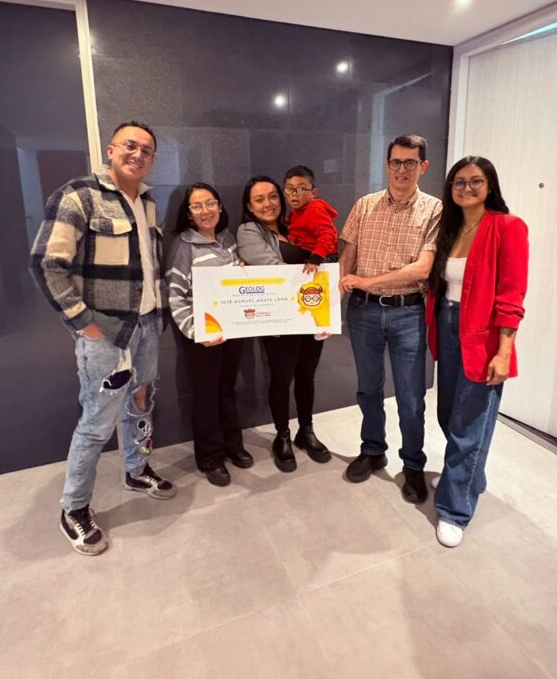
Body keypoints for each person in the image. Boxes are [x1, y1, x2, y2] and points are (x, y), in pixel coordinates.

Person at [30, 121, 177, 557]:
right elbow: (46, 263)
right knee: (96, 421)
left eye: (147, 150)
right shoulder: (79, 196)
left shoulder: (147, 202)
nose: (138, 154)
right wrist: (82, 323)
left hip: (147, 326)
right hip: (106, 334)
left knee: (141, 402)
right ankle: (74, 507)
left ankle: (136, 469)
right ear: (111, 150)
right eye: (130, 145)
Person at [425, 155, 528, 547]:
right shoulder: (450, 228)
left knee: (470, 424)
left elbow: (512, 296)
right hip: (448, 326)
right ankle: (468, 476)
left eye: (475, 181)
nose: (466, 188)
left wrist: (503, 352)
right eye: (459, 182)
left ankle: (455, 509)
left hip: (483, 337)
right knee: (448, 414)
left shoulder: (507, 227)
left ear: (490, 186)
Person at [338, 134, 442, 504]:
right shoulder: (365, 205)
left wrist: (368, 281)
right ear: (387, 164)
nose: (401, 170)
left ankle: (412, 464)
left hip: (408, 313)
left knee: (411, 397)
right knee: (368, 389)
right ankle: (372, 450)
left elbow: (423, 268)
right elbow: (348, 255)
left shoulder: (434, 210)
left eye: (410, 163)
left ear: (422, 167)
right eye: (396, 162)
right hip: (363, 311)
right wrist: (333, 301)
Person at [237, 175, 332, 471]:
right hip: (278, 319)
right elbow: (274, 271)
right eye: (259, 199)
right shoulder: (248, 231)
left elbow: (327, 255)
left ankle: (306, 431)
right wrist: (313, 270)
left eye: (272, 196)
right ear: (249, 207)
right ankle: (282, 435)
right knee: (281, 379)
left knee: (307, 376)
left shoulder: (295, 225)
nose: (268, 203)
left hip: (310, 314)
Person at [167, 182, 254, 487]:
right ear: (189, 213)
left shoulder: (228, 239)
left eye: (210, 203)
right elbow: (175, 296)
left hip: (232, 332)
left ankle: (232, 445)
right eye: (197, 206)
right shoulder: (183, 246)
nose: (205, 211)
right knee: (205, 397)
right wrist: (196, 333)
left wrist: (241, 270)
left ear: (219, 206)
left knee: (227, 390)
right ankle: (210, 458)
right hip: (202, 338)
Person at [283, 165, 339, 271]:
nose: (294, 194)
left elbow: (327, 234)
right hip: (309, 254)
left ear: (313, 193)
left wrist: (316, 257)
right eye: (290, 189)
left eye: (301, 189)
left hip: (322, 257)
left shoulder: (315, 210)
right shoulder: (296, 211)